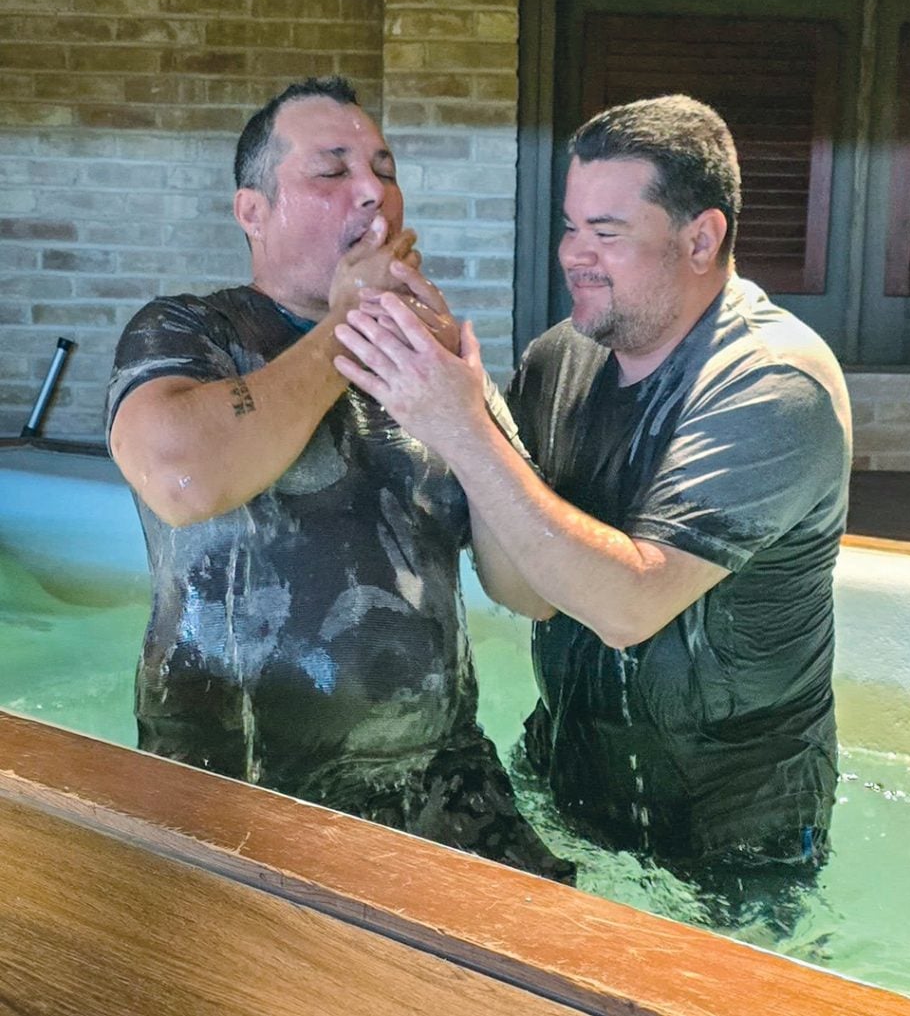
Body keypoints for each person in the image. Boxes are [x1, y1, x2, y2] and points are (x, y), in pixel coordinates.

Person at [333, 93, 852, 889]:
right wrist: (471, 423)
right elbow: (524, 591)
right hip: (566, 782)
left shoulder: (775, 383)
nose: (574, 253)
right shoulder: (559, 360)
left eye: (606, 233)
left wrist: (469, 428)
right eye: (571, 226)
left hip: (739, 827)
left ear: (701, 238)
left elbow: (629, 607)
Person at [105, 76, 573, 883]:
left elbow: (529, 591)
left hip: (447, 787)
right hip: (236, 785)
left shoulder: (437, 362)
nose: (373, 192)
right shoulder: (187, 331)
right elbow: (181, 476)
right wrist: (344, 328)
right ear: (253, 211)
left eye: (385, 169)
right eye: (332, 171)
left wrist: (467, 419)